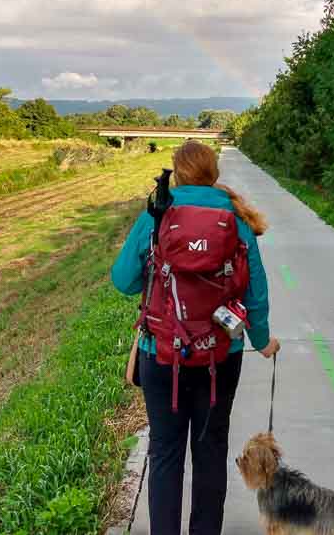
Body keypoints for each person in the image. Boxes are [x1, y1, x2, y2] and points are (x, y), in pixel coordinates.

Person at [111, 141, 280, 535]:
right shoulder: (236, 220)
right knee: (210, 452)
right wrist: (262, 340)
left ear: (178, 173)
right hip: (220, 356)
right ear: (214, 173)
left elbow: (123, 280)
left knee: (165, 454)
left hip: (162, 355)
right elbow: (255, 292)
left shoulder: (157, 216)